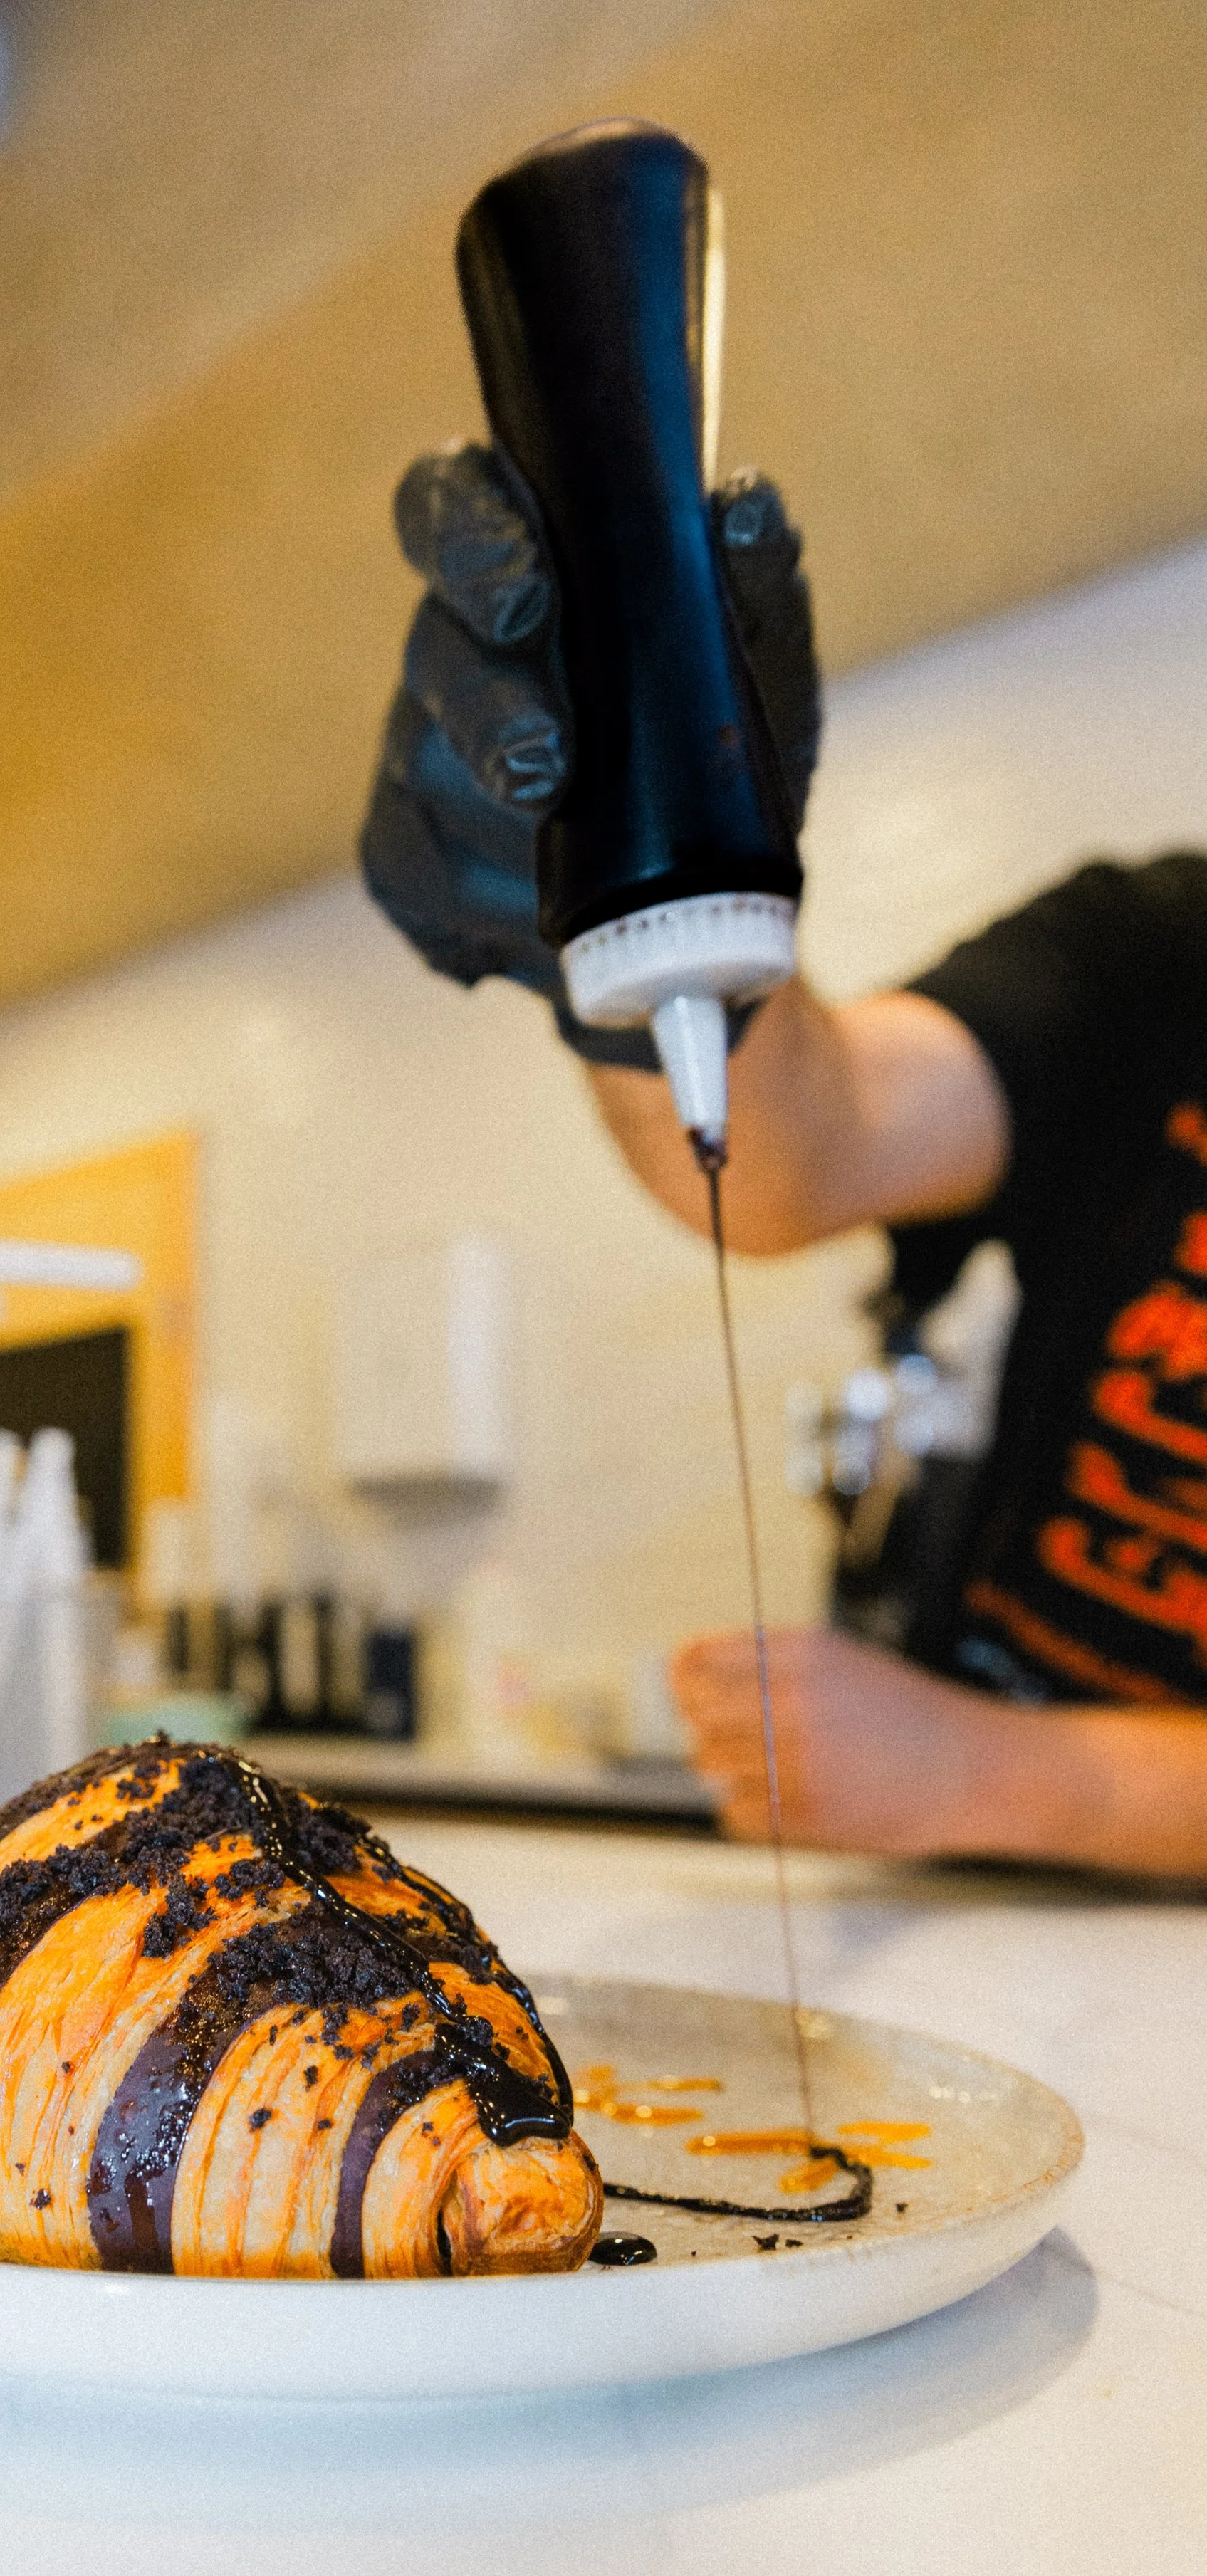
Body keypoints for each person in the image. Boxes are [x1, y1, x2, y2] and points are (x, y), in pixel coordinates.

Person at [361, 444, 1207, 1879]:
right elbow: (792, 1162)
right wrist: (651, 908)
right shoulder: (1164, 956)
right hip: (969, 1896)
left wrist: (994, 1770)